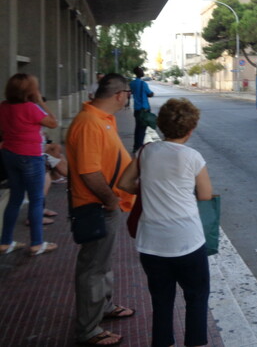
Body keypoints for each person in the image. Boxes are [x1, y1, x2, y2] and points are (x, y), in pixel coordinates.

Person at [119, 98, 212, 347]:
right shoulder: (192, 156)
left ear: (161, 126)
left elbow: (124, 184)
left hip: (151, 245)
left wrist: (151, 188)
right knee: (196, 297)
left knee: (161, 301)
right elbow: (205, 195)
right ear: (191, 129)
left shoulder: (146, 151)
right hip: (188, 243)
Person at [66, 73, 136, 347]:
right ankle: (88, 330)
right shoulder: (89, 123)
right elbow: (89, 172)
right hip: (96, 207)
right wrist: (109, 200)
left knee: (102, 264)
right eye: (128, 93)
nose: (128, 97)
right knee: (93, 269)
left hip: (105, 205)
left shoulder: (102, 120)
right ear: (119, 94)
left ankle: (104, 307)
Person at [0, 73, 59, 256]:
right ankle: (36, 243)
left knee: (15, 198)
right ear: (30, 91)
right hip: (30, 155)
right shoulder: (31, 108)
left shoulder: (3, 107)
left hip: (9, 154)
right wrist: (40, 102)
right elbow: (53, 123)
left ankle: (5, 242)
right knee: (36, 199)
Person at [129, 66, 154, 153]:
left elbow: (131, 92)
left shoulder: (132, 83)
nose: (143, 72)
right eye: (141, 71)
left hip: (136, 108)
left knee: (137, 128)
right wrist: (151, 94)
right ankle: (139, 147)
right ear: (139, 73)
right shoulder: (144, 84)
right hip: (144, 109)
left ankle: (136, 146)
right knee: (142, 129)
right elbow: (150, 94)